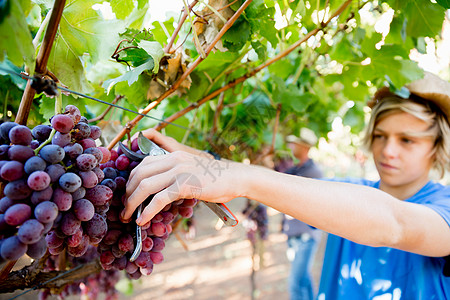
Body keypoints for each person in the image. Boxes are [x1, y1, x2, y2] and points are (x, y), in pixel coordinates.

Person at [121, 71, 450, 299]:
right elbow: (292, 188)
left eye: (407, 140)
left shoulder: (444, 207)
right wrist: (198, 161)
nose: (388, 150)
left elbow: (395, 223)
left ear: (437, 146)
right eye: (380, 136)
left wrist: (245, 179)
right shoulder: (348, 189)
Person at [282, 128, 323, 300]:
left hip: (306, 236)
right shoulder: (295, 169)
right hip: (294, 235)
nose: (290, 146)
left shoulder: (312, 173)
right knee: (304, 280)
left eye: (294, 144)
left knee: (295, 283)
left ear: (304, 147)